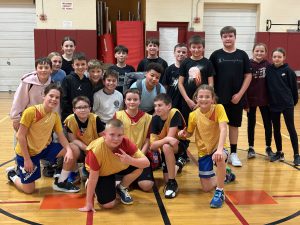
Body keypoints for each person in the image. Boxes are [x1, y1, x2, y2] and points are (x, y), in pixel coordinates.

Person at [6, 83, 80, 194]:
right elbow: (20, 136)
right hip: (27, 154)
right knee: (29, 190)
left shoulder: (54, 116)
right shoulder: (31, 112)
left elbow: (61, 136)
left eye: (57, 97)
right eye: (51, 96)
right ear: (43, 96)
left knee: (74, 149)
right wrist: (27, 159)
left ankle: (61, 182)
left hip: (44, 149)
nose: (54, 99)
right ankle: (12, 174)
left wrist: (69, 151)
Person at [178, 84, 234, 208]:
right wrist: (182, 134)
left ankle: (220, 192)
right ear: (196, 98)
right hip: (203, 151)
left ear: (212, 99)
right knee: (206, 188)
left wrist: (219, 150)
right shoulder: (193, 115)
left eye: (207, 97)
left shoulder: (219, 108)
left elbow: (224, 129)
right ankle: (225, 175)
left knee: (219, 158)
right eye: (201, 97)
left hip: (218, 147)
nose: (204, 99)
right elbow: (190, 133)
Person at [79, 119, 150, 211]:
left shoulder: (126, 142)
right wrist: (88, 203)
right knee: (108, 205)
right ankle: (90, 184)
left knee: (139, 165)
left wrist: (130, 160)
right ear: (104, 135)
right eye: (112, 135)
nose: (116, 139)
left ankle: (121, 188)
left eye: (119, 135)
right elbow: (94, 177)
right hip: (101, 173)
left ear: (123, 135)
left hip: (117, 167)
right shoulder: (96, 150)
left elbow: (146, 163)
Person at [209, 26, 252, 167]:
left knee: (234, 125)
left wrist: (240, 94)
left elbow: (248, 75)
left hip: (236, 98)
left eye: (230, 36)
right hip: (218, 98)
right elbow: (210, 77)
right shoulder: (215, 55)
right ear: (221, 38)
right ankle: (217, 151)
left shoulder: (242, 55)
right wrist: (212, 96)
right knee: (217, 126)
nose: (228, 38)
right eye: (225, 36)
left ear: (235, 37)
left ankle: (233, 153)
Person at [265, 47, 299, 166]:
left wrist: (292, 102)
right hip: (274, 105)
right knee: (276, 129)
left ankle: (296, 155)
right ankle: (279, 152)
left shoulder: (289, 71)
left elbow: (294, 90)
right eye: (274, 57)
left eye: (279, 57)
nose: (277, 59)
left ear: (284, 57)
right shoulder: (269, 70)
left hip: (287, 105)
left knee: (291, 129)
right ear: (272, 58)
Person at [115, 88, 154, 191]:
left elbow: (147, 140)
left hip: (140, 154)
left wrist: (139, 156)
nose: (132, 102)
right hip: (122, 155)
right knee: (114, 183)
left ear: (140, 101)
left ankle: (132, 178)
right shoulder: (118, 115)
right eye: (129, 99)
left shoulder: (148, 118)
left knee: (147, 185)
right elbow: (114, 139)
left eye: (135, 99)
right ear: (125, 101)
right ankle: (129, 179)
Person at [150, 93, 186, 199]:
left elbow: (171, 141)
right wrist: (165, 139)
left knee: (166, 146)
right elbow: (152, 146)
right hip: (166, 149)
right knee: (166, 176)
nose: (157, 108)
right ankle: (179, 164)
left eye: (160, 105)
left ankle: (172, 182)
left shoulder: (174, 113)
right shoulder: (154, 119)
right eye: (155, 106)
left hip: (179, 146)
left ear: (169, 106)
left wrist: (164, 140)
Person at [64, 96, 105, 183]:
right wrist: (86, 148)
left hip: (95, 149)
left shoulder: (95, 119)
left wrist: (93, 149)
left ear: (90, 108)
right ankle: (74, 172)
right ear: (74, 110)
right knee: (71, 147)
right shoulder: (69, 120)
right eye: (79, 107)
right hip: (81, 148)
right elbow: (73, 139)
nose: (82, 110)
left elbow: (103, 138)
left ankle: (86, 169)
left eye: (85, 107)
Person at [178, 35, 215, 128]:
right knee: (186, 125)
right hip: (187, 101)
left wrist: (202, 100)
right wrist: (188, 100)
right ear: (190, 48)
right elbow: (180, 83)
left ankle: (203, 142)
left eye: (199, 47)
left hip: (203, 100)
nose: (196, 50)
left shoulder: (208, 63)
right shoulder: (185, 62)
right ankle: (184, 142)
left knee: (203, 125)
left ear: (203, 48)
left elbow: (211, 83)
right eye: (193, 47)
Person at [245, 43, 274, 159]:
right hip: (251, 100)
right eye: (257, 51)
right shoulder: (248, 64)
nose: (259, 53)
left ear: (266, 53)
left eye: (262, 51)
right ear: (253, 51)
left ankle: (268, 147)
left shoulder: (268, 65)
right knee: (251, 124)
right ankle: (251, 147)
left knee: (268, 124)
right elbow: (244, 84)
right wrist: (245, 102)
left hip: (265, 100)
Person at [10, 57, 52, 132]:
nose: (43, 70)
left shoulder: (52, 84)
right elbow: (19, 100)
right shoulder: (27, 82)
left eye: (46, 67)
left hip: (43, 120)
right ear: (36, 69)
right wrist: (16, 118)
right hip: (27, 118)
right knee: (21, 140)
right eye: (40, 67)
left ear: (51, 70)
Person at [61, 52, 93, 121]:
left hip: (85, 118)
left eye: (83, 64)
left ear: (86, 66)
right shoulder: (67, 79)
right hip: (70, 117)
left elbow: (90, 100)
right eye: (77, 64)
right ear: (73, 66)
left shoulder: (88, 82)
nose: (80, 67)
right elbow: (64, 100)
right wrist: (72, 114)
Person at [162, 43, 188, 110]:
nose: (181, 54)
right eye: (178, 51)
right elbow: (165, 87)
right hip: (172, 103)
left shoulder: (189, 69)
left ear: (187, 54)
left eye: (184, 52)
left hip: (186, 103)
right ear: (174, 53)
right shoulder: (169, 69)